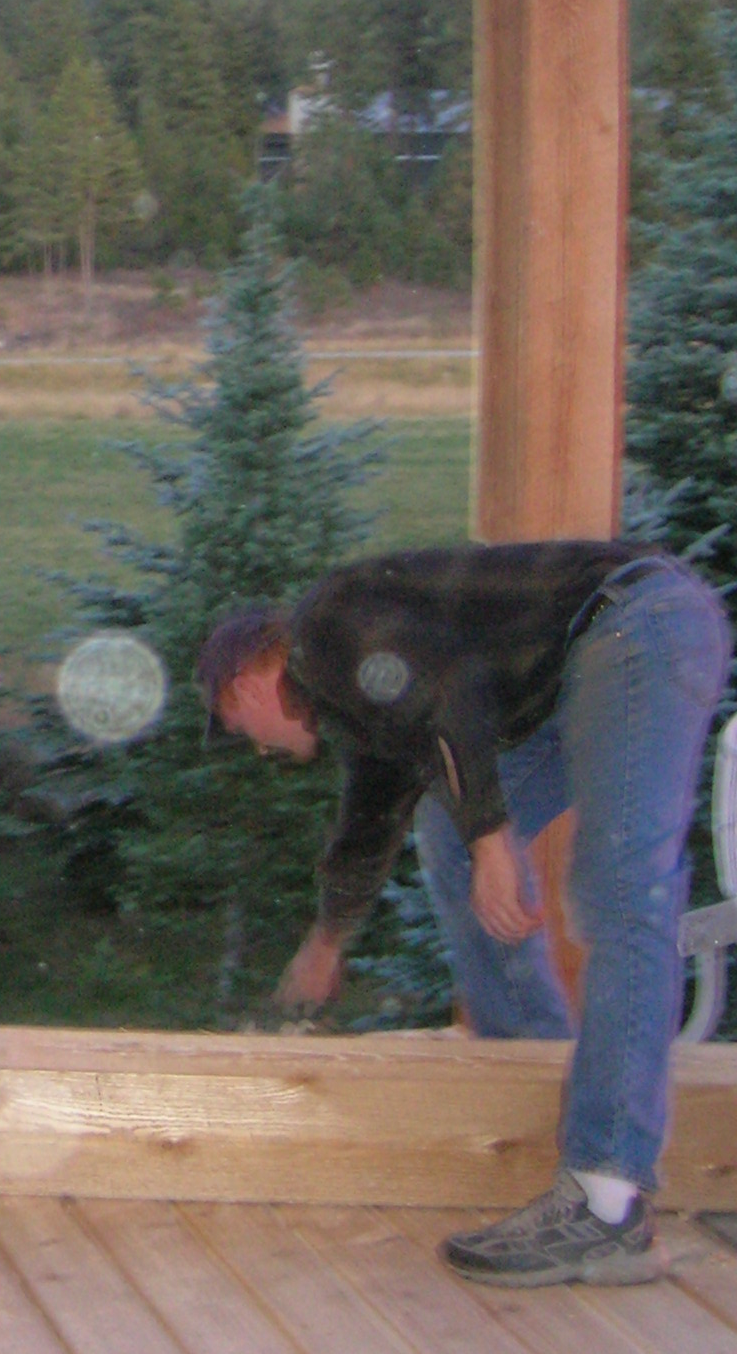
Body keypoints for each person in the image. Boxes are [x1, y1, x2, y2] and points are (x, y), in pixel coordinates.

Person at [198, 542, 729, 1287]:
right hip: (589, 657)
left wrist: (493, 839)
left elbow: (451, 684)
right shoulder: (360, 695)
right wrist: (327, 943)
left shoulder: (326, 625)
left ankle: (607, 1204)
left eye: (238, 726)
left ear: (243, 683)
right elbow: (371, 819)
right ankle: (529, 1069)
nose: (258, 748)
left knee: (620, 893)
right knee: (445, 830)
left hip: (636, 624)